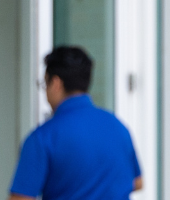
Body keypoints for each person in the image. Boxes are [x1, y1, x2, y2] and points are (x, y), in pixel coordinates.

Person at [11, 46, 143, 200]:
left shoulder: (43, 138)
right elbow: (137, 182)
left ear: (55, 83)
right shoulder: (118, 127)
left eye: (44, 84)